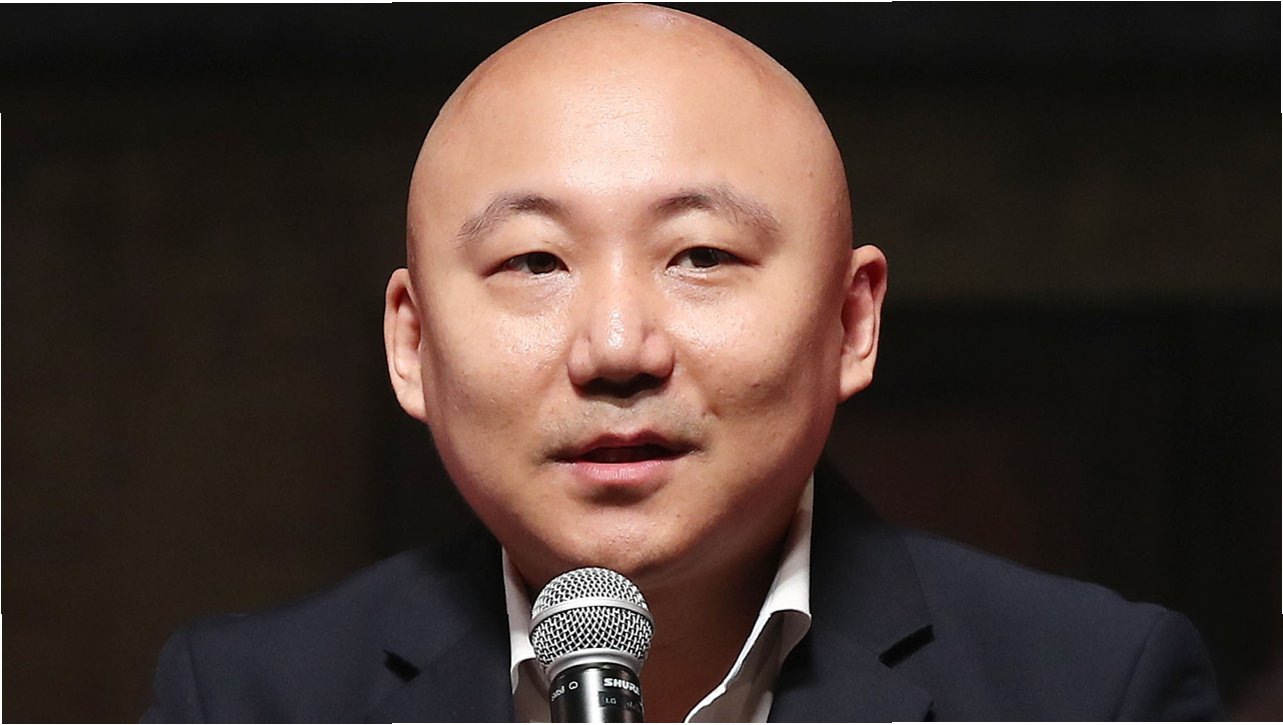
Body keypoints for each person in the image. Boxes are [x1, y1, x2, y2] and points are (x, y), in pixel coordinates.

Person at [144, 5, 1223, 722]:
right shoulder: (245, 700)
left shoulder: (1090, 688)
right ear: (411, 343)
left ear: (850, 322)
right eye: (534, 261)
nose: (617, 348)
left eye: (700, 256)